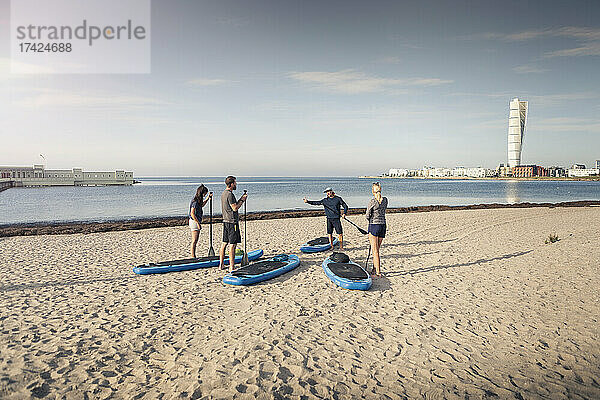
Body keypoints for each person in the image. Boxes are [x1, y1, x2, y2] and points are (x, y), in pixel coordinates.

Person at [219, 176, 248, 272]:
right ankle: (231, 266)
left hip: (226, 221)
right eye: (235, 183)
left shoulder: (223, 193)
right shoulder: (230, 194)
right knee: (232, 244)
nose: (236, 184)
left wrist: (241, 198)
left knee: (224, 243)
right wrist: (243, 201)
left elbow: (233, 204)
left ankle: (221, 265)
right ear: (231, 184)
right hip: (232, 222)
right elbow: (235, 208)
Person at [365, 182, 387, 277]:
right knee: (377, 249)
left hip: (374, 225)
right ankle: (374, 269)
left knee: (375, 250)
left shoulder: (372, 201)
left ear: (373, 191)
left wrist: (370, 218)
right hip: (383, 225)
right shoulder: (385, 200)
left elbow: (367, 215)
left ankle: (378, 272)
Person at [189, 185, 212, 258]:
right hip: (194, 222)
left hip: (195, 221)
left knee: (195, 240)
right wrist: (198, 223)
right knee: (194, 240)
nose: (205, 195)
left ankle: (193, 255)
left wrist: (208, 198)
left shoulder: (198, 200)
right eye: (205, 193)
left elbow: (202, 205)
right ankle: (193, 256)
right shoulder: (195, 201)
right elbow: (192, 213)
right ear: (202, 192)